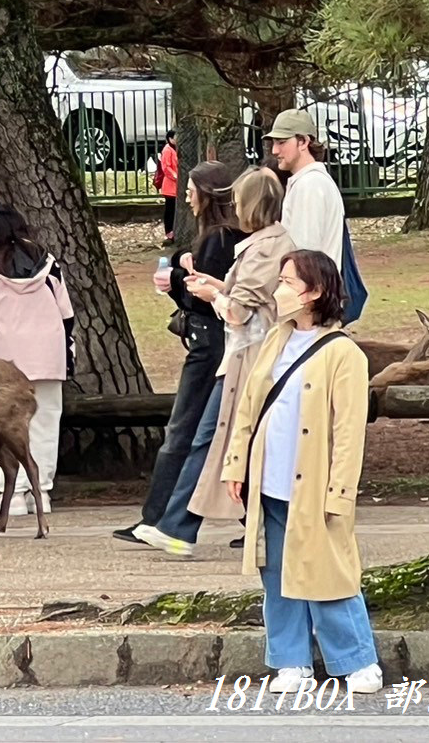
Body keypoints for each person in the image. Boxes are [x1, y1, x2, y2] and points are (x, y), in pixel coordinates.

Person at [221, 249, 382, 694]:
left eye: (289, 282)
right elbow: (250, 408)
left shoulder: (343, 353)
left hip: (315, 486)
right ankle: (291, 661)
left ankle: (356, 659)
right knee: (276, 573)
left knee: (328, 572)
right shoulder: (276, 339)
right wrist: (237, 465)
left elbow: (349, 433)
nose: (280, 290)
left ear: (315, 292)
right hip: (269, 480)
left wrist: (339, 492)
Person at [134, 168, 294, 558]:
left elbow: (241, 310)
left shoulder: (265, 248)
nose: (234, 208)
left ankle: (179, 526)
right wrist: (216, 286)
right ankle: (182, 525)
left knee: (214, 439)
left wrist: (212, 296)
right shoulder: (265, 244)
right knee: (221, 440)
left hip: (248, 357)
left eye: (240, 202)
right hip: (243, 354)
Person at [114, 162, 241, 544]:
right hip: (214, 339)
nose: (185, 195)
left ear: (207, 193)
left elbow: (204, 301)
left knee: (184, 429)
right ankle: (250, 520)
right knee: (215, 430)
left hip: (208, 342)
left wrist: (174, 283)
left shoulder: (218, 238)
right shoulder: (221, 236)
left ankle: (158, 518)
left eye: (190, 188)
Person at [0, 208, 75, 517]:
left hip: (6, 362)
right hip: (47, 353)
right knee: (45, 422)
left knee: (7, 427)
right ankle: (41, 492)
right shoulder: (49, 263)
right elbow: (66, 314)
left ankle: (12, 494)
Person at [265, 109, 344, 267]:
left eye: (282, 142)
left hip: (310, 287)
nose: (274, 150)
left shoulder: (310, 184)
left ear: (303, 142)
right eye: (274, 142)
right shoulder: (308, 181)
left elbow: (306, 253)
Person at [157, 130, 179, 244]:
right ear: (170, 138)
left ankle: (173, 230)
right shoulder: (167, 150)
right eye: (176, 137)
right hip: (170, 185)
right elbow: (166, 167)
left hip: (175, 185)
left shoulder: (175, 149)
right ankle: (169, 231)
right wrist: (176, 176)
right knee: (170, 210)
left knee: (174, 210)